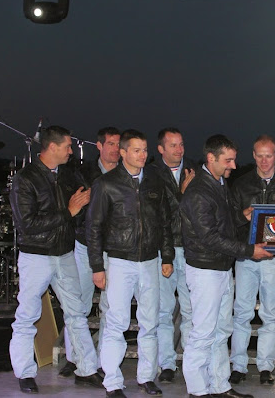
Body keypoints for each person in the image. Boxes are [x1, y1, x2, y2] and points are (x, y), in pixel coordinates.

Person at [9, 125, 103, 393]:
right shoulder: (25, 179)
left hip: (64, 254)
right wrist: (69, 211)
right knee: (27, 315)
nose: (71, 151)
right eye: (67, 147)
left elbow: (81, 204)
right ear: (52, 147)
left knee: (77, 313)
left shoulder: (65, 176)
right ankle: (25, 373)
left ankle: (86, 369)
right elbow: (26, 224)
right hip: (36, 256)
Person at [180, 134, 273, 398]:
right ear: (211, 158)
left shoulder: (219, 184)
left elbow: (224, 223)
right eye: (228, 160)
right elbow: (209, 237)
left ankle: (219, 385)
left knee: (222, 331)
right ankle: (197, 390)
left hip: (220, 269)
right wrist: (249, 250)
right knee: (203, 332)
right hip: (205, 270)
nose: (233, 165)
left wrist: (242, 217)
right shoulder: (199, 191)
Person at [86, 129, 173, 397]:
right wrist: (97, 266)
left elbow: (165, 221)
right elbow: (94, 227)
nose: (143, 155)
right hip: (120, 261)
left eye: (145, 150)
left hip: (149, 260)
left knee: (151, 322)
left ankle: (146, 377)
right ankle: (112, 381)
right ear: (123, 153)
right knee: (116, 322)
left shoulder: (154, 182)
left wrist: (167, 256)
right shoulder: (106, 184)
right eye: (136, 150)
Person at [229, 135, 275, 386]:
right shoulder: (240, 183)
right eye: (259, 155)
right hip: (246, 256)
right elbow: (230, 221)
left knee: (270, 313)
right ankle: (238, 365)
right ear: (253, 155)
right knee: (242, 312)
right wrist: (242, 218)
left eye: (269, 155)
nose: (264, 160)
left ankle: (266, 366)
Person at [60, 126, 120, 378]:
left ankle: (104, 361)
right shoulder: (82, 174)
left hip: (115, 249)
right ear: (99, 146)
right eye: (111, 144)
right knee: (79, 304)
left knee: (110, 307)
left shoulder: (127, 174)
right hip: (85, 246)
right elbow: (75, 209)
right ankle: (75, 358)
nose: (115, 150)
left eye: (119, 145)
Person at [144, 127, 197, 383]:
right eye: (173, 145)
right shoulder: (150, 173)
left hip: (189, 248)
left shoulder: (195, 171)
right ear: (161, 149)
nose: (179, 149)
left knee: (190, 309)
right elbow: (157, 212)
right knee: (163, 310)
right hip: (162, 248)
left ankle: (190, 363)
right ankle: (166, 364)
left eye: (181, 144)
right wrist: (181, 194)